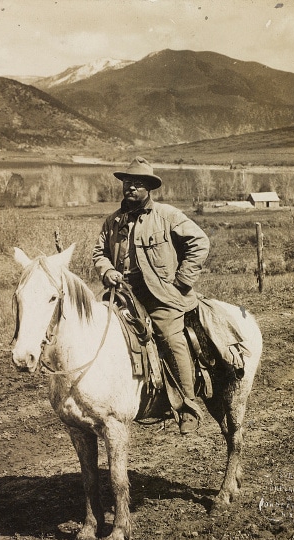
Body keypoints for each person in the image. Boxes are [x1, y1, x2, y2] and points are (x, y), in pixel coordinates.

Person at [92, 157, 210, 434]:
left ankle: (187, 407)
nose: (131, 188)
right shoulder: (112, 222)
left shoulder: (167, 216)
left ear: (149, 189)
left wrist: (182, 280)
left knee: (171, 338)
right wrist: (107, 271)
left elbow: (199, 242)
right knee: (99, 332)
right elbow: (99, 253)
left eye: (138, 184)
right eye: (127, 183)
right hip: (122, 293)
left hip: (160, 295)